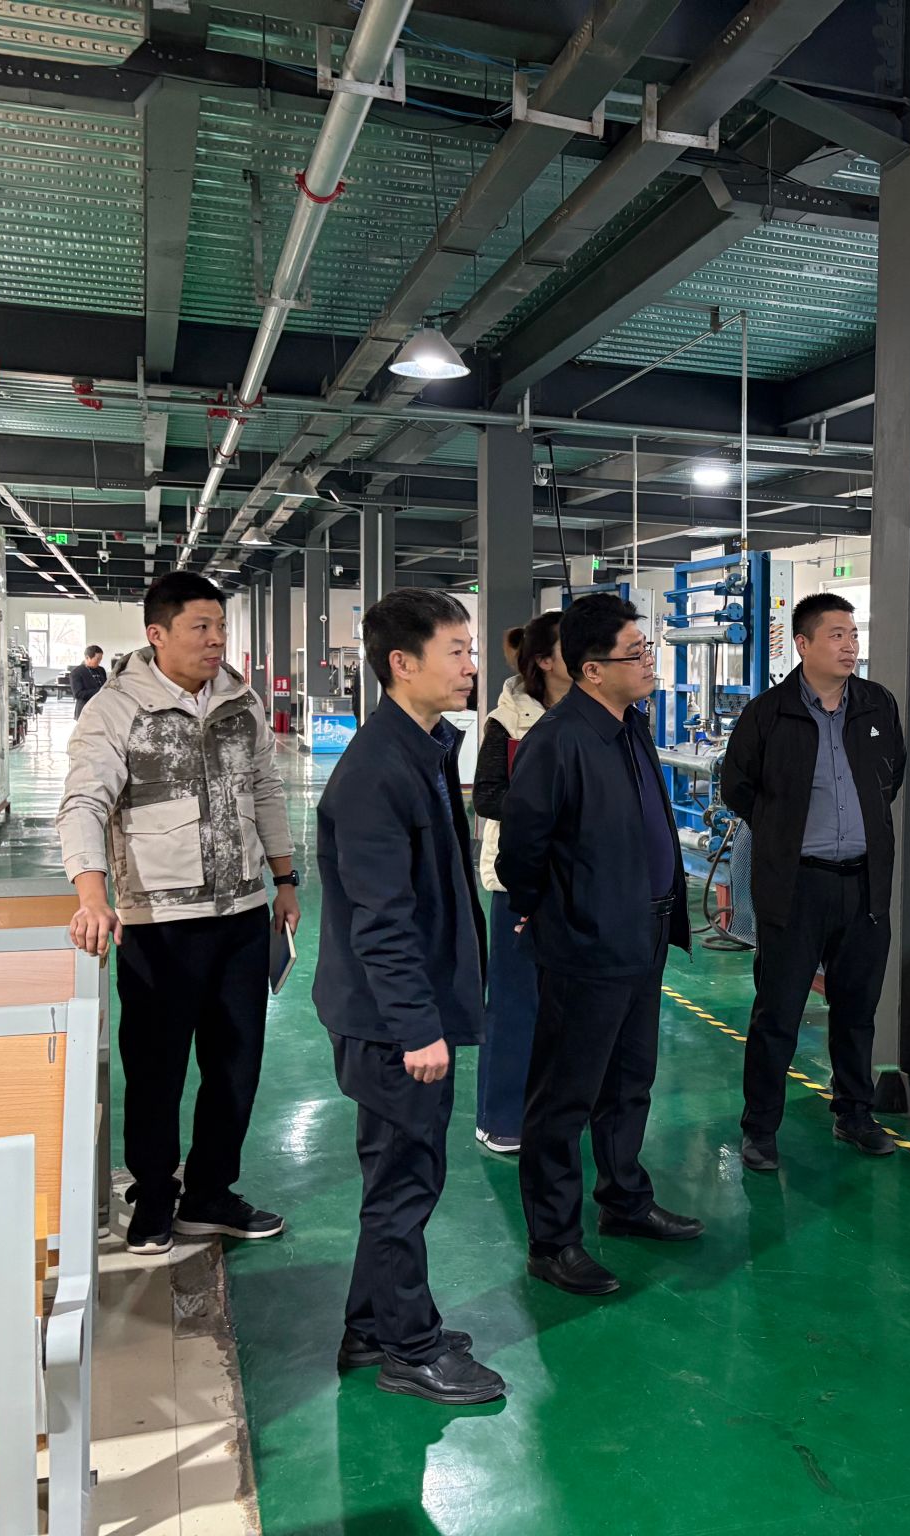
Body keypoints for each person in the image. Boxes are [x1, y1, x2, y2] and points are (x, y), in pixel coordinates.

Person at [58, 572, 298, 1255]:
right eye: (201, 627)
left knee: (235, 1064)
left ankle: (210, 1194)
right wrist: (91, 894)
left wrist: (284, 879)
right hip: (159, 924)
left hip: (242, 912)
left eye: (220, 626)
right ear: (157, 634)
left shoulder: (241, 701)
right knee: (156, 1068)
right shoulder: (115, 709)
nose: (215, 639)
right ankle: (155, 1197)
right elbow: (84, 803)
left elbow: (265, 790)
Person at [312, 589, 503, 1406]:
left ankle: (371, 1326)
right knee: (404, 1184)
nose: (471, 665)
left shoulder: (421, 750)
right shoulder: (375, 774)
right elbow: (380, 919)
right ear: (402, 663)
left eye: (470, 649)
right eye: (456, 651)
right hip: (392, 1025)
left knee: (399, 1175)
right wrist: (418, 1028)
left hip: (405, 1014)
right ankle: (409, 1349)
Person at [496, 593, 702, 1297]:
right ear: (591, 670)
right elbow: (521, 850)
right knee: (564, 1098)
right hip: (587, 942)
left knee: (629, 1080)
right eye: (635, 653)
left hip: (644, 932)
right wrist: (545, 910)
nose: (649, 663)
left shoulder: (629, 726)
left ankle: (625, 1200)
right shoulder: (558, 741)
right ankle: (552, 1242)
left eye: (648, 649)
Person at [719, 592, 906, 1171]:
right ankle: (760, 1128)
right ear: (803, 644)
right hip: (796, 887)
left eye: (854, 634)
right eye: (837, 635)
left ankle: (854, 1113)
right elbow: (736, 787)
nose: (851, 646)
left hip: (864, 885)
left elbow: (892, 775)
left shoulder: (876, 704)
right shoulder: (769, 714)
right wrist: (782, 832)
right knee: (778, 1013)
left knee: (857, 1010)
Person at [471, 610, 570, 1155]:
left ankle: (557, 1108)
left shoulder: (596, 713)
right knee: (514, 1001)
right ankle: (501, 1116)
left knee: (568, 1003)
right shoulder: (506, 721)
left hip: (578, 880)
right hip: (519, 879)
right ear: (545, 661)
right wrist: (554, 811)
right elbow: (487, 795)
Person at [69, 645, 107, 717]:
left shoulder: (101, 670)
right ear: (87, 658)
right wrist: (100, 690)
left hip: (100, 710)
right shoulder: (76, 672)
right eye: (97, 659)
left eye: (100, 659)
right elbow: (78, 694)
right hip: (85, 710)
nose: (99, 662)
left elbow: (105, 685)